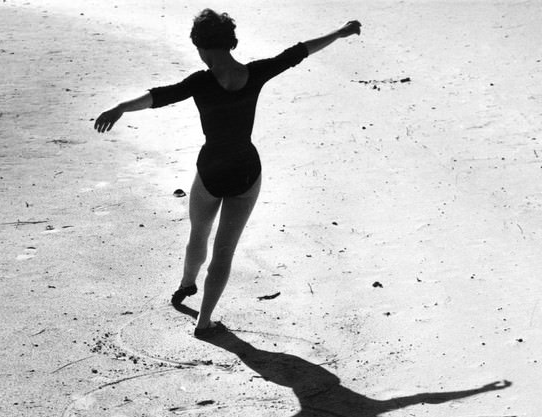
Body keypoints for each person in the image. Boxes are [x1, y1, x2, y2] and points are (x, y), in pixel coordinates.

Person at [94, 10, 361, 334]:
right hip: (247, 171)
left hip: (211, 170)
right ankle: (204, 321)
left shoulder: (200, 82)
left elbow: (159, 97)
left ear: (202, 48)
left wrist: (120, 107)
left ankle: (186, 284)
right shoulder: (256, 72)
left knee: (198, 235)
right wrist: (339, 32)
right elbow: (299, 52)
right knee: (224, 251)